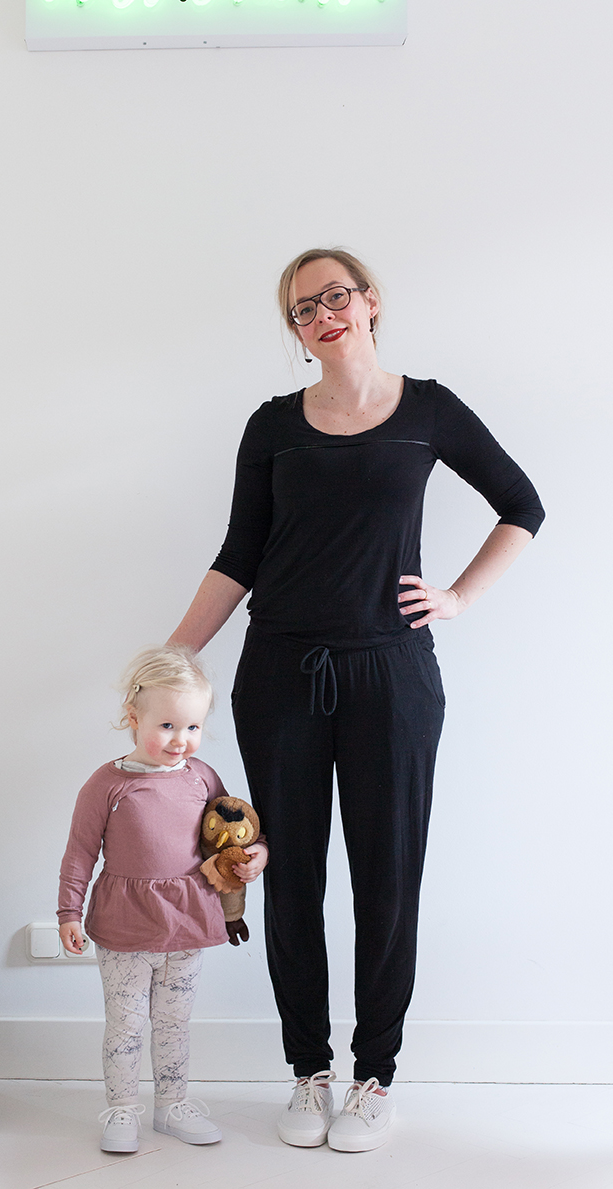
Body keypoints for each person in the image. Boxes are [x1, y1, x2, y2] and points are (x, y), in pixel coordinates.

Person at [168, 247, 545, 1153]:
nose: (325, 314)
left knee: (387, 878)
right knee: (288, 876)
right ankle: (309, 1070)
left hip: (395, 675)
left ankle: (375, 1075)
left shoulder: (428, 410)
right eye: (304, 308)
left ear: (370, 302)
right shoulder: (271, 427)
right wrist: (174, 657)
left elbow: (522, 504)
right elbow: (239, 554)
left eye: (337, 296)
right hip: (282, 676)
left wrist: (453, 597)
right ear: (295, 331)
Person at [57, 645, 268, 1154]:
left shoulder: (202, 777)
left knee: (174, 1020)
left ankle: (172, 1105)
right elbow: (81, 852)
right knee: (127, 1022)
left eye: (193, 728)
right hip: (126, 922)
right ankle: (122, 1108)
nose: (181, 741)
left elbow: (230, 832)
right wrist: (68, 911)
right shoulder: (106, 785)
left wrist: (257, 851)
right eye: (168, 726)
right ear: (133, 718)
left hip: (188, 918)